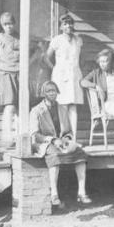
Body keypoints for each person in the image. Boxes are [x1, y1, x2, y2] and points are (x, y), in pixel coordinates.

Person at [30, 80, 91, 208]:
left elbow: (68, 131)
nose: (52, 93)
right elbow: (35, 135)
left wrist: (66, 140)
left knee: (80, 154)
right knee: (55, 156)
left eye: (54, 90)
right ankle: (54, 194)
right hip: (45, 143)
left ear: (57, 92)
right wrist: (53, 140)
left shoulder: (62, 109)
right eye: (48, 91)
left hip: (62, 143)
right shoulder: (36, 111)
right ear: (43, 93)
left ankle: (81, 192)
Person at [45, 13, 84, 142]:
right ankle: (63, 136)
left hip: (74, 74)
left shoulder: (78, 40)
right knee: (62, 105)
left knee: (73, 105)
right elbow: (46, 58)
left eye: (70, 23)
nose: (68, 26)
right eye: (65, 24)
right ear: (61, 27)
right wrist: (55, 69)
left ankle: (74, 138)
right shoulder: (57, 40)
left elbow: (80, 58)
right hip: (60, 75)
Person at [0, 11, 20, 146]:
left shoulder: (19, 38)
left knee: (21, 107)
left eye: (11, 23)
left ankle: (19, 136)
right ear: (2, 25)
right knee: (10, 105)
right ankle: (7, 137)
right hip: (5, 73)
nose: (9, 27)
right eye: (6, 24)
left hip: (19, 74)